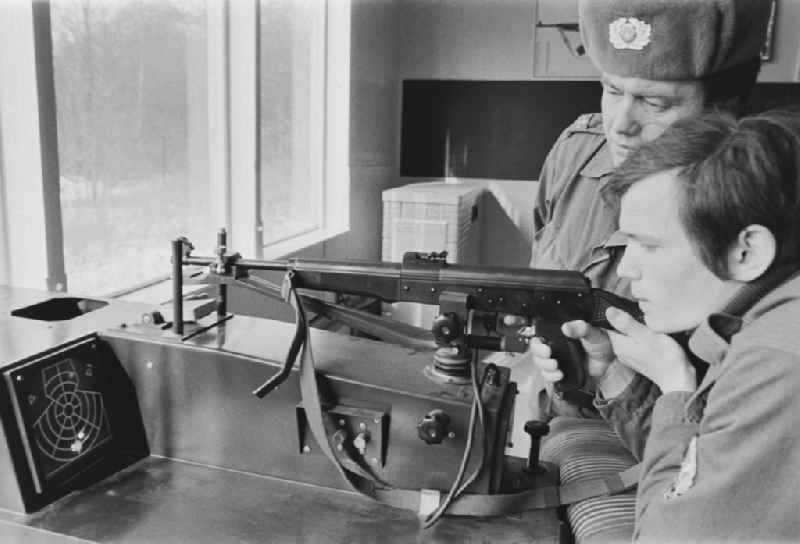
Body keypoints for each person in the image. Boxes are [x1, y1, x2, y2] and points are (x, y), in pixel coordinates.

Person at [543, 110, 800, 541]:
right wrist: (613, 373)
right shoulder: (758, 323)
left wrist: (676, 389)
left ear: (747, 251)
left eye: (649, 245)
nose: (626, 269)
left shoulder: (776, 362)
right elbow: (703, 470)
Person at [526, 0, 774, 419]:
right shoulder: (576, 154)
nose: (620, 124)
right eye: (612, 90)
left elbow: (718, 441)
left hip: (666, 441)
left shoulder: (757, 204)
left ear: (722, 110)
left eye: (654, 104)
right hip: (558, 412)